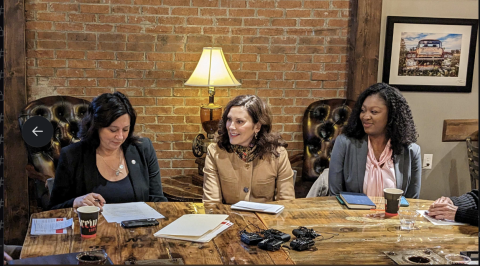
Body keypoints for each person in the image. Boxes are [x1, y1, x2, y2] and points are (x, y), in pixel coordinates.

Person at [48, 92, 167, 210]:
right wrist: (76, 201)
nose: (120, 137)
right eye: (113, 130)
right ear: (96, 127)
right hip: (94, 227)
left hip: (139, 227)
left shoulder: (143, 148)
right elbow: (54, 208)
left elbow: (158, 200)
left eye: (125, 129)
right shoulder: (72, 155)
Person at [328, 83, 421, 198]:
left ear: (392, 116)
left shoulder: (411, 151)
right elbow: (335, 195)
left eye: (374, 112)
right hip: (351, 215)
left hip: (394, 216)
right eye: (363, 110)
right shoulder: (344, 143)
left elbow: (412, 202)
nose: (365, 116)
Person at [203, 95, 295, 204]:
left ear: (257, 127)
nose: (231, 127)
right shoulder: (215, 151)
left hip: (266, 219)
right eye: (229, 119)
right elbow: (212, 204)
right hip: (230, 219)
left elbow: (286, 203)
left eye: (239, 121)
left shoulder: (277, 153)